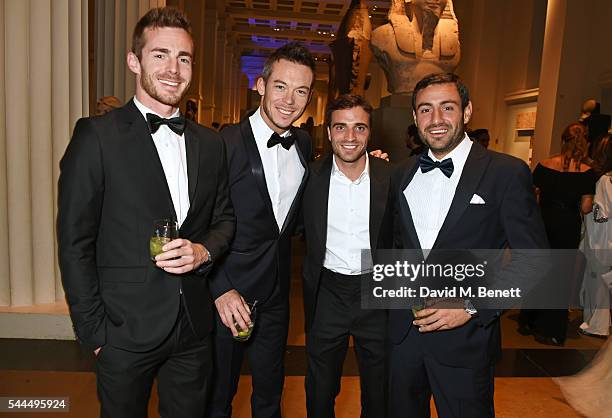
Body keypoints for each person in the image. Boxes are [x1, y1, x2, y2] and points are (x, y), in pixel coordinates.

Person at [57, 8, 235, 418]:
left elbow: (225, 220)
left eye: (184, 58)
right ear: (134, 61)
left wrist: (203, 252)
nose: (174, 69)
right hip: (123, 330)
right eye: (160, 55)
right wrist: (96, 333)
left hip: (193, 327)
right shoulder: (96, 137)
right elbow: (74, 243)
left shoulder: (211, 144)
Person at [390, 72, 548, 417]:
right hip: (402, 338)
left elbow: (534, 259)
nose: (436, 120)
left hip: (466, 342)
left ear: (467, 111)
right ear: (415, 117)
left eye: (447, 108)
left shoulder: (506, 173)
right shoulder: (400, 174)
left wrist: (473, 307)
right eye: (425, 110)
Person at [206, 42, 315, 418]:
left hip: (276, 297)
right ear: (261, 85)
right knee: (218, 394)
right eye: (281, 86)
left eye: (301, 91)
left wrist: (366, 169)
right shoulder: (224, 145)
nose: (290, 100)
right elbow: (200, 226)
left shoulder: (303, 142)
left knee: (270, 395)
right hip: (228, 295)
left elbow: (298, 215)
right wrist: (219, 289)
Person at [302, 95, 395, 418]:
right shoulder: (309, 178)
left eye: (359, 128)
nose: (350, 137)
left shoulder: (391, 177)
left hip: (377, 289)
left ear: (370, 133)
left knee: (379, 384)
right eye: (341, 127)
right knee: (320, 385)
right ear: (328, 132)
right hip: (328, 291)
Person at [518, 122, 596, 346]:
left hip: (543, 222)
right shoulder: (587, 173)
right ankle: (551, 329)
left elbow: (531, 198)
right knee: (560, 277)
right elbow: (585, 208)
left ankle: (528, 320)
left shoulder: (544, 165)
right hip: (567, 225)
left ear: (563, 140)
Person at [579, 134, 612, 337]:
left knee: (597, 281)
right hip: (607, 237)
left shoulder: (604, 181)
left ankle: (597, 325)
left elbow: (600, 214)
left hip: (601, 238)